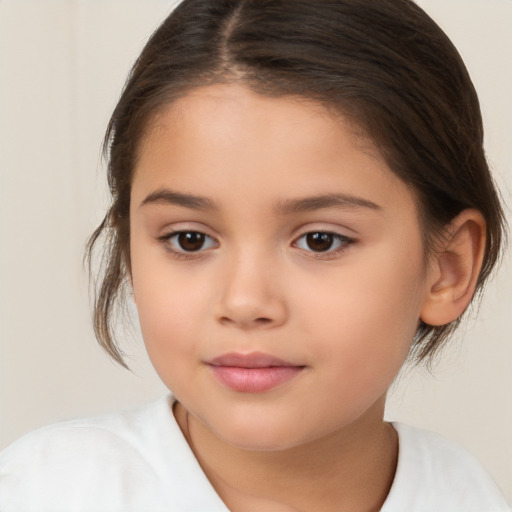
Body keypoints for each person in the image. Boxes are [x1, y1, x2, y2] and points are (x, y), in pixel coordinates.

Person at [0, 0, 509, 510]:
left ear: (447, 268)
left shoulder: (466, 494)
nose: (245, 302)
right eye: (189, 239)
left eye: (320, 240)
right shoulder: (47, 491)